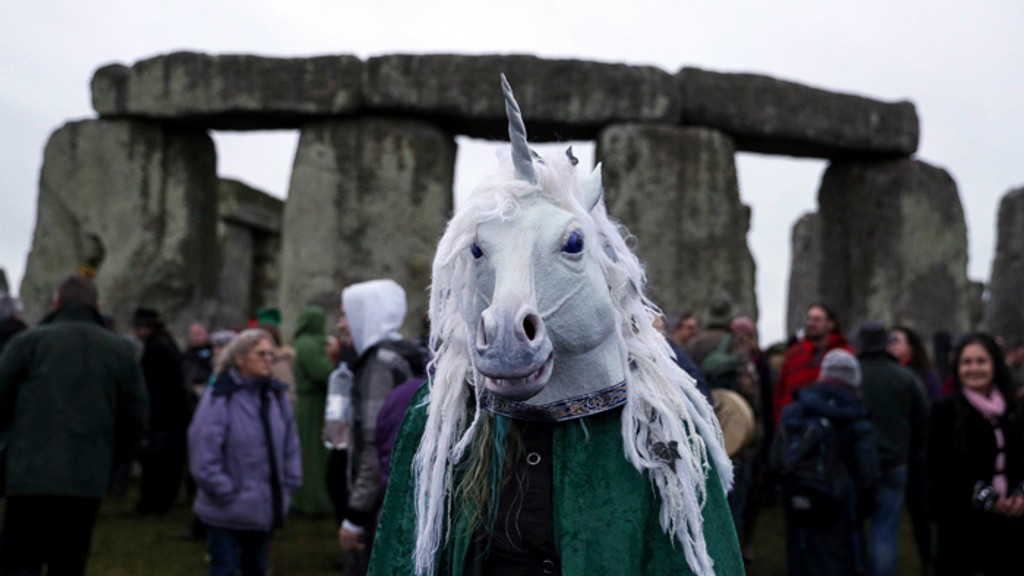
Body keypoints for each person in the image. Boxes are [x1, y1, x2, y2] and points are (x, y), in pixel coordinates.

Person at [0, 275, 149, 575]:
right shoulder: (120, 350)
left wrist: (8, 446)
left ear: (57, 302)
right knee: (70, 560)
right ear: (97, 306)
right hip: (87, 471)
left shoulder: (29, 343)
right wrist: (116, 459)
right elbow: (136, 414)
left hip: (29, 470)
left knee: (20, 560)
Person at [188, 328, 302, 576]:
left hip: (263, 508)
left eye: (270, 354)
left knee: (256, 568)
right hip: (226, 510)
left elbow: (290, 444)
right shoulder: (221, 397)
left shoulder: (275, 396)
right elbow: (203, 451)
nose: (268, 359)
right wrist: (225, 491)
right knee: (225, 568)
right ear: (240, 358)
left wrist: (289, 484)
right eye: (260, 354)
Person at [337, 279, 427, 575]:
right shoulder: (405, 354)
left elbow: (373, 448)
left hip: (378, 506)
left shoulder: (378, 365)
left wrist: (355, 516)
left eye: (345, 315)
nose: (340, 324)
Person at [926, 333, 1024, 576]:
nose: (974, 368)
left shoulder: (1015, 408)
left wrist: (1020, 492)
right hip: (963, 525)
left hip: (1012, 524)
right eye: (966, 362)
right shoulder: (944, 411)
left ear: (994, 365)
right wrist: (986, 497)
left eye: (981, 361)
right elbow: (940, 467)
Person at [776, 349, 879, 576]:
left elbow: (777, 455)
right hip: (839, 499)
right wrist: (866, 503)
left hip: (798, 494)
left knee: (801, 552)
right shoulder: (855, 415)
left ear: (823, 374)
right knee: (837, 557)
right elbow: (867, 471)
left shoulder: (795, 409)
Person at [855, 322, 929, 576]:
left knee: (853, 526)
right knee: (885, 529)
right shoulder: (905, 376)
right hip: (895, 462)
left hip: (856, 463)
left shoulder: (852, 375)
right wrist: (910, 451)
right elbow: (922, 419)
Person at [133, 307, 191, 516]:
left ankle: (153, 504)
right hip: (172, 416)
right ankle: (160, 501)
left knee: (157, 462)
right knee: (165, 462)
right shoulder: (165, 345)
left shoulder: (156, 349)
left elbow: (157, 387)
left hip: (163, 416)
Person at [289, 305, 336, 516]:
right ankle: (309, 501)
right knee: (311, 454)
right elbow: (322, 373)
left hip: (316, 402)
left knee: (315, 453)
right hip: (312, 404)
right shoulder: (307, 344)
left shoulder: (310, 342)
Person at [773, 303, 854, 423]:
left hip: (833, 423)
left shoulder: (845, 354)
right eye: (809, 319)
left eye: (817, 320)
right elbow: (781, 391)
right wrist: (779, 419)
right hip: (794, 423)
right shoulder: (793, 354)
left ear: (830, 324)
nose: (811, 323)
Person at [888, 325, 942, 401]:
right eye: (889, 341)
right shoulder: (884, 372)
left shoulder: (925, 374)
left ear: (910, 346)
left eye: (896, 341)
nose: (892, 345)